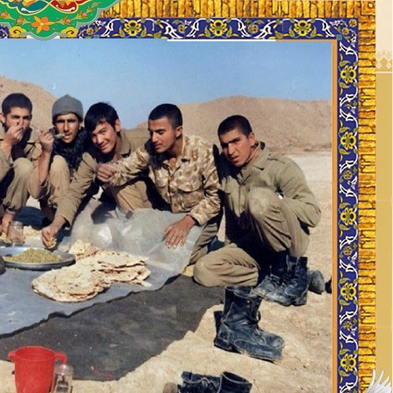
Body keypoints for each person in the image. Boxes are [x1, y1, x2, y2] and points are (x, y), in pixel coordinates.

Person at [193, 115, 321, 307]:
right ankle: (288, 278)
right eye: (225, 145)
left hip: (286, 245)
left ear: (251, 138)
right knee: (203, 271)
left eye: (236, 142)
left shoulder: (281, 168)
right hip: (249, 247)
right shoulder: (226, 167)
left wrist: (273, 203)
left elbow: (313, 213)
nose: (231, 151)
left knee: (258, 199)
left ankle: (288, 269)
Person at [96, 104, 221, 264]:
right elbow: (125, 169)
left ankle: (209, 246)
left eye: (160, 132)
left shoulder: (204, 151)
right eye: (151, 132)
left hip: (201, 219)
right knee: (132, 241)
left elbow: (215, 199)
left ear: (178, 131)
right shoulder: (151, 149)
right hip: (170, 217)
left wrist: (187, 222)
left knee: (171, 256)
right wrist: (104, 171)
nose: (154, 139)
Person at [40, 102, 153, 247]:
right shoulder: (91, 156)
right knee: (82, 230)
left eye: (103, 132)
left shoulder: (142, 141)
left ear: (117, 125)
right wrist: (55, 226)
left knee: (116, 180)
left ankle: (142, 236)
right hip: (116, 206)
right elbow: (74, 193)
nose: (99, 141)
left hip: (149, 205)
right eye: (93, 135)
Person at [0, 93, 43, 236]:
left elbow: (36, 186)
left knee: (24, 165)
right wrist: (7, 144)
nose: (21, 124)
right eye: (15, 117)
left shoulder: (33, 139)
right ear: (2, 117)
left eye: (26, 118)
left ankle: (7, 220)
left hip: (6, 204)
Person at [27, 94, 93, 224]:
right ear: (54, 124)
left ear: (80, 123)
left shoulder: (90, 142)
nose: (66, 128)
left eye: (71, 121)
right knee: (58, 162)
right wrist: (46, 152)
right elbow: (35, 191)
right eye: (61, 122)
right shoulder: (44, 142)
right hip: (53, 208)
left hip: (80, 203)